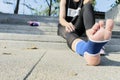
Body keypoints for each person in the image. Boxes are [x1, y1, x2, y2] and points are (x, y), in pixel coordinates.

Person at [57, 0, 114, 66]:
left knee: (88, 5)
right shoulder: (64, 1)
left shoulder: (83, 1)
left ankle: (92, 38)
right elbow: (61, 19)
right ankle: (86, 50)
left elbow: (88, 8)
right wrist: (67, 24)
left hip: (78, 26)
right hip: (65, 25)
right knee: (69, 33)